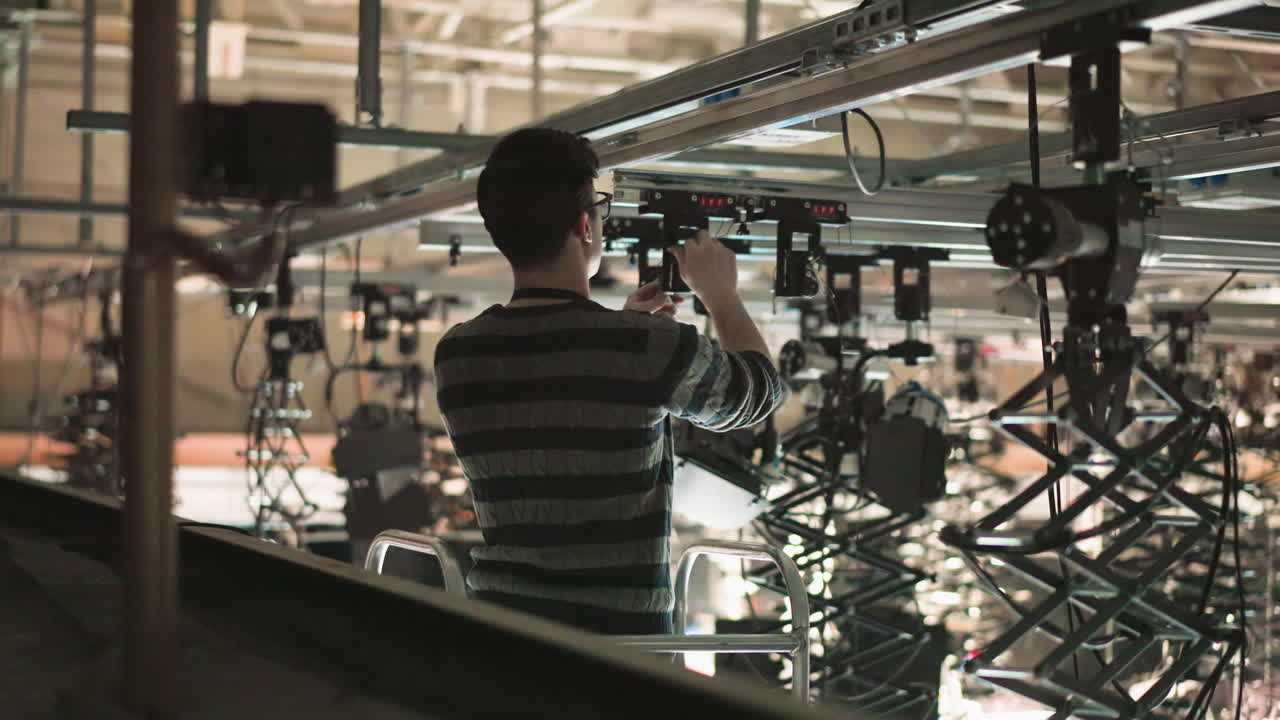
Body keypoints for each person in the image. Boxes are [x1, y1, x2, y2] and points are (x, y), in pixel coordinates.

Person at [433, 128, 786, 635]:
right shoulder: (640, 347)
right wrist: (720, 294)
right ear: (585, 226)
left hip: (501, 635)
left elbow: (556, 383)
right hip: (616, 645)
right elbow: (756, 394)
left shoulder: (458, 352)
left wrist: (624, 330)